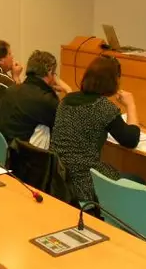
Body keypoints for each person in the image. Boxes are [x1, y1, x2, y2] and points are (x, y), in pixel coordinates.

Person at [50, 56, 141, 203]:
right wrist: (131, 105)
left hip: (58, 178)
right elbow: (131, 140)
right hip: (84, 182)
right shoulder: (103, 107)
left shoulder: (66, 100)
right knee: (138, 181)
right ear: (113, 81)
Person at [0, 50, 71, 146]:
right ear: (50, 71)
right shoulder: (46, 100)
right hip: (21, 155)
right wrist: (68, 91)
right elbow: (68, 124)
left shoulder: (11, 90)